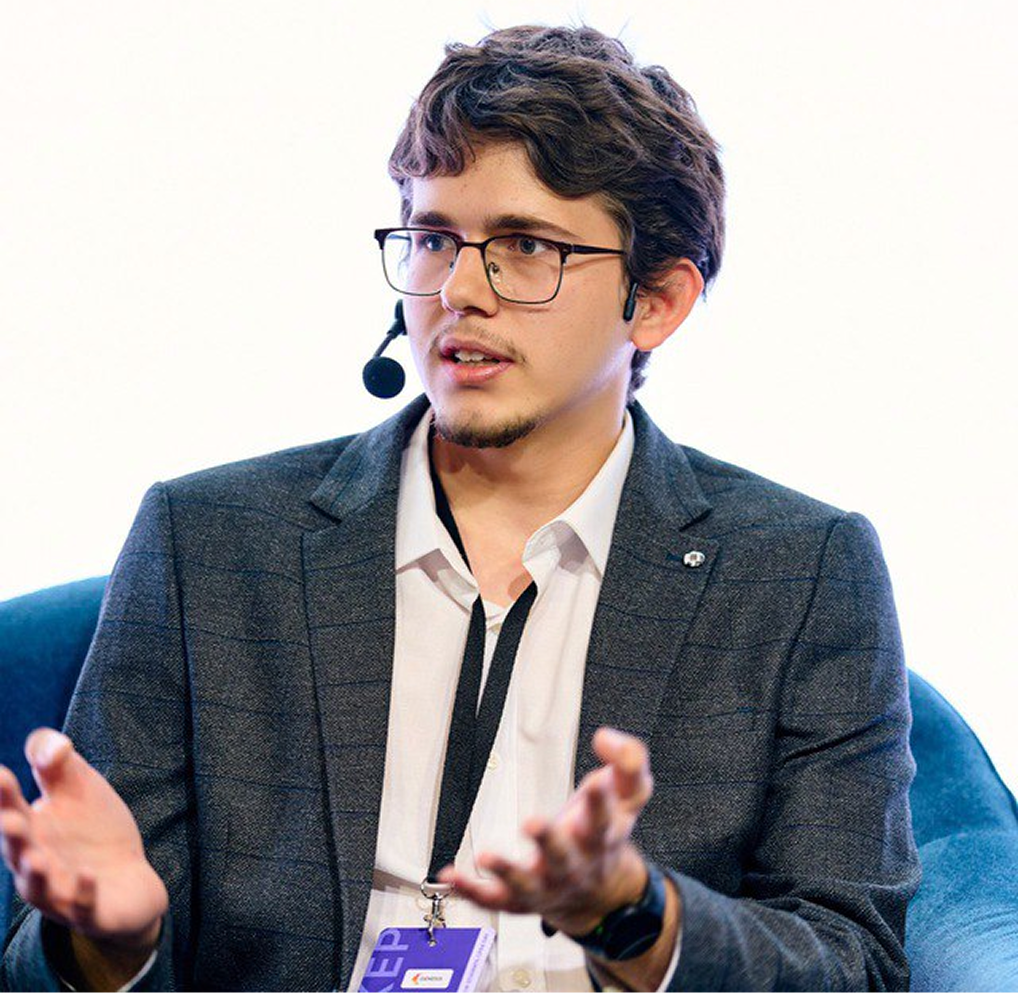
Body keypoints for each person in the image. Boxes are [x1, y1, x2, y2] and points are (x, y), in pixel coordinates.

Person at [0, 24, 921, 992]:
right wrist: (109, 942)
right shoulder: (212, 545)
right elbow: (53, 955)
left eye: (526, 247)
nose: (458, 290)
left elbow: (852, 964)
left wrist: (634, 913)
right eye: (435, 237)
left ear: (656, 301)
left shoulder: (798, 570)